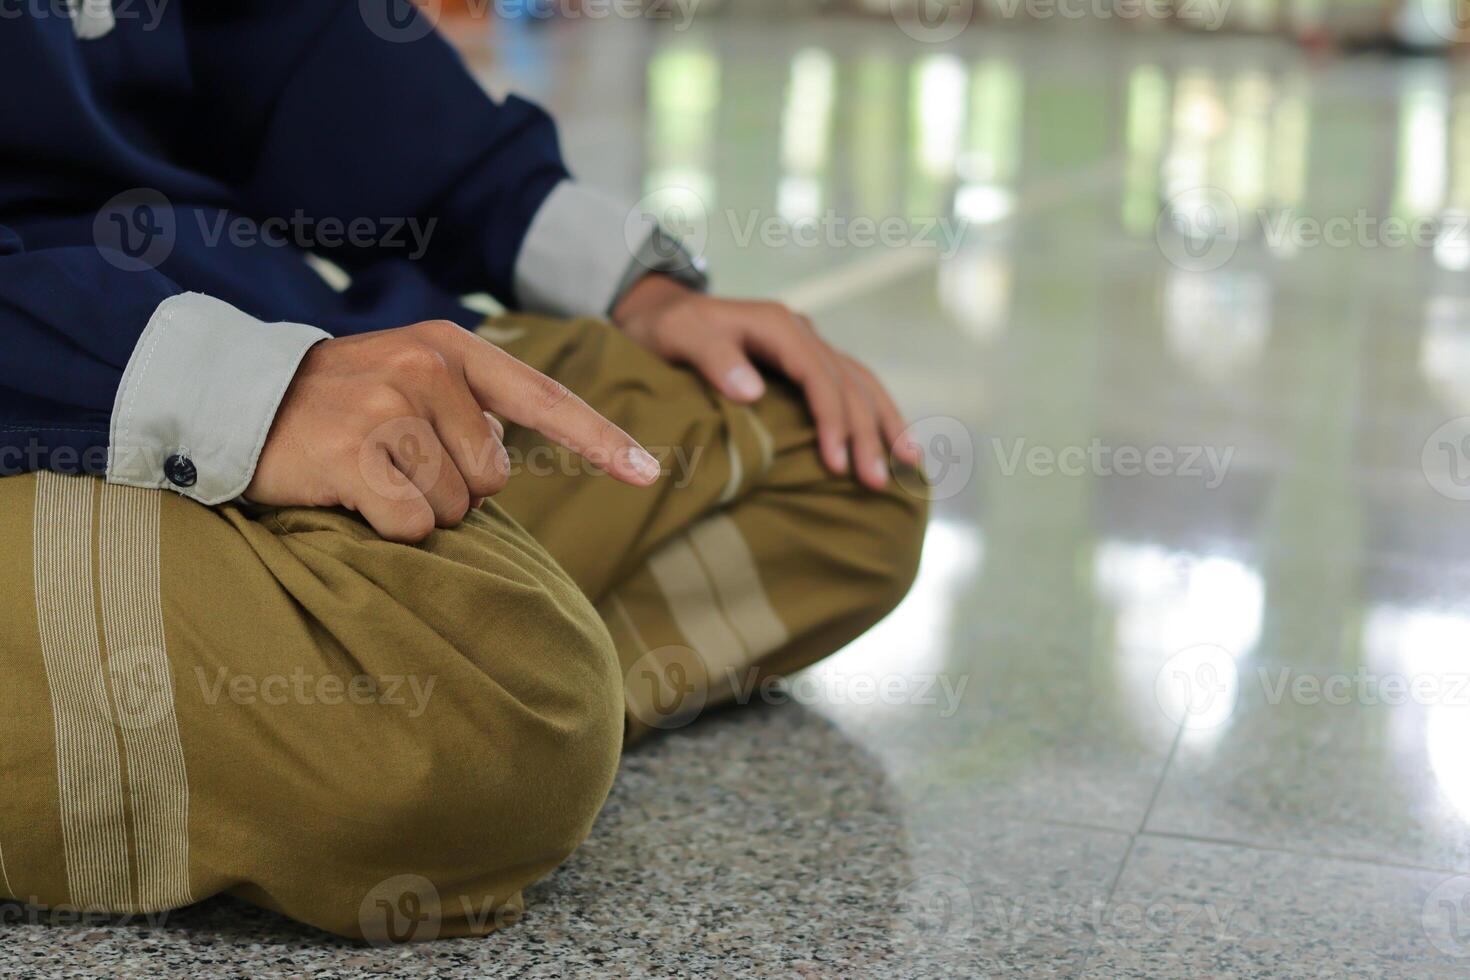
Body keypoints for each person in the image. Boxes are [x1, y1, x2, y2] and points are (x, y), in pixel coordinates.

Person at [0, 1, 927, 941]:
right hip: (40, 403)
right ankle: (480, 689)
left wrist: (631, 281)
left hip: (254, 326)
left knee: (837, 466)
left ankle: (481, 675)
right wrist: (226, 396)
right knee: (469, 741)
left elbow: (294, 47)